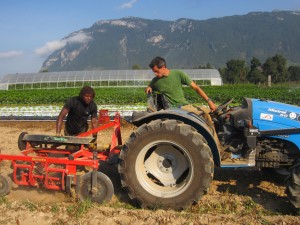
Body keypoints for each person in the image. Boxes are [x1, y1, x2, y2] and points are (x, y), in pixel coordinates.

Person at [146, 56, 228, 160]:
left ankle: (222, 139)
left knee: (216, 111)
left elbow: (196, 88)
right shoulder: (155, 80)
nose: (155, 74)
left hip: (185, 105)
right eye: (154, 72)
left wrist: (209, 101)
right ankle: (219, 151)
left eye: (157, 71)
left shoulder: (178, 74)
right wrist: (148, 87)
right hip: (177, 109)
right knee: (206, 116)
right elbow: (149, 87)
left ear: (163, 67)